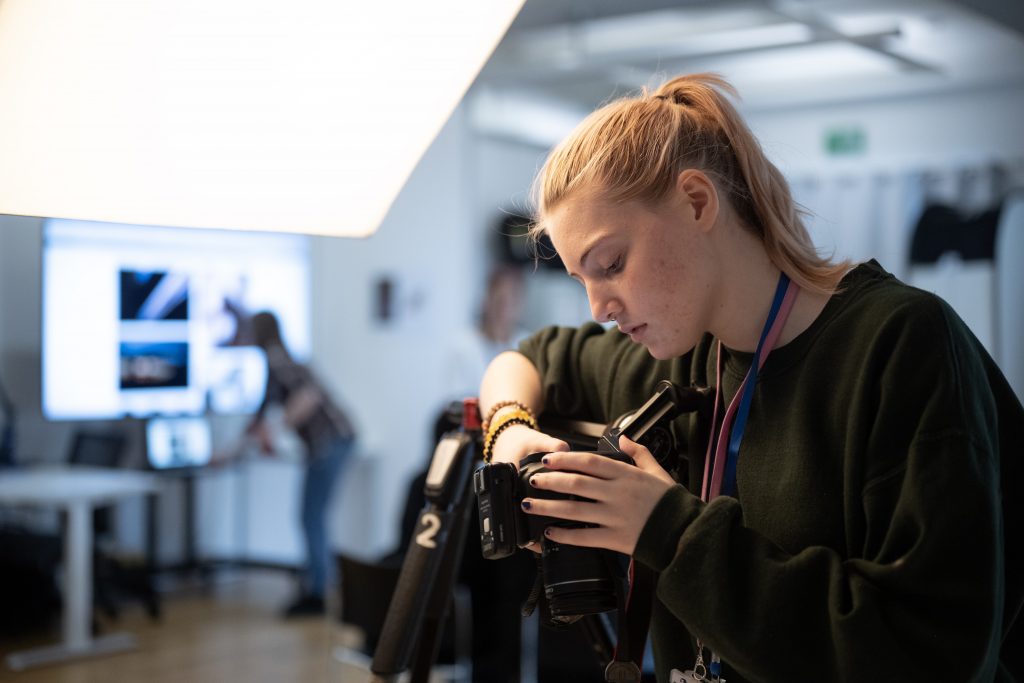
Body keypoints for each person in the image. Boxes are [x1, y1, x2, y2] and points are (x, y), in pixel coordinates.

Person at [478, 73, 1023, 682]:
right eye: (583, 279)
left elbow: (931, 657)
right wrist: (508, 431)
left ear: (697, 202)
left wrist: (669, 533)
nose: (598, 308)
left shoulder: (902, 345)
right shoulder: (676, 357)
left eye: (611, 265)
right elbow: (525, 358)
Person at [246, 311, 357, 618]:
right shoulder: (278, 363)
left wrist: (277, 429)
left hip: (330, 443)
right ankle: (317, 586)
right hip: (333, 442)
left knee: (312, 517)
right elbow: (257, 419)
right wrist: (231, 451)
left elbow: (308, 397)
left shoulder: (279, 361)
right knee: (312, 516)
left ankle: (319, 592)